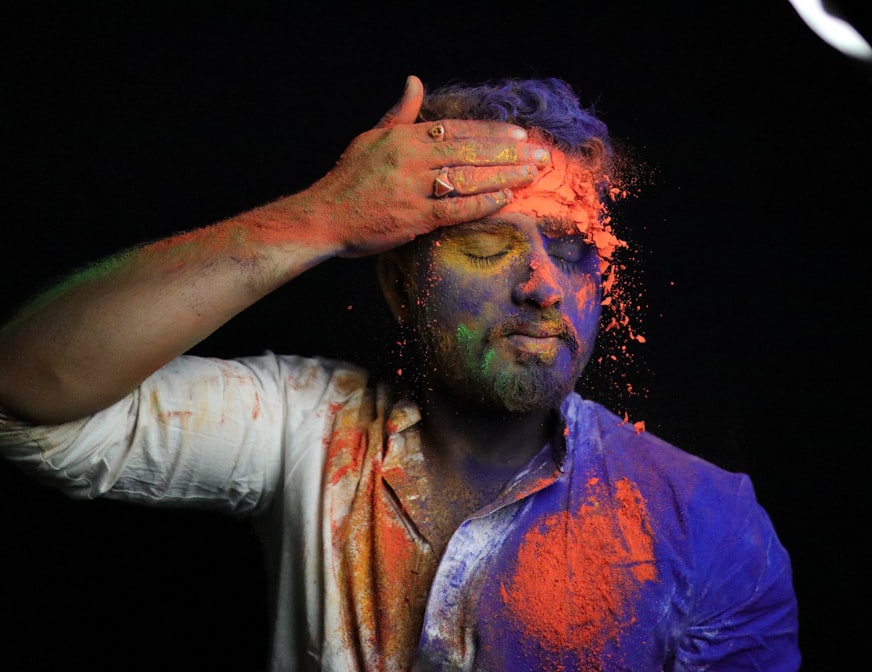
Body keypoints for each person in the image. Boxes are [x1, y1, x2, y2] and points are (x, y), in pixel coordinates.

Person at [0, 75, 800, 671]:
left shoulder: (709, 522)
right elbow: (29, 390)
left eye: (569, 248)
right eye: (486, 243)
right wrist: (318, 217)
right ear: (398, 285)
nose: (542, 284)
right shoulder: (306, 429)